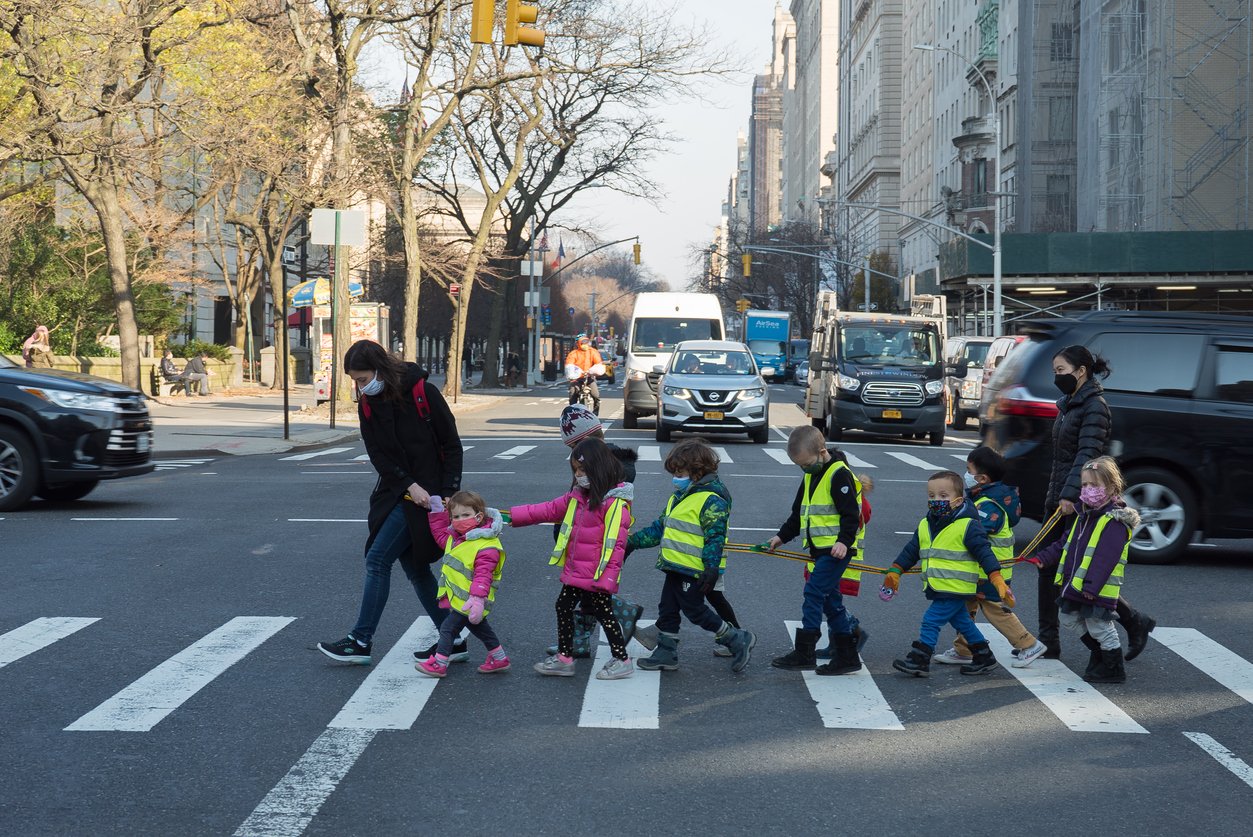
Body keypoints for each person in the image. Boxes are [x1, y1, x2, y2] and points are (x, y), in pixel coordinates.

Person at [318, 340, 465, 665]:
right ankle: (452, 638)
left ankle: (360, 640)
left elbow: (452, 445)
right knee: (415, 569)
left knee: (378, 559)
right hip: (400, 492)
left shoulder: (423, 393)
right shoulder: (368, 405)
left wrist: (448, 491)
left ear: (380, 369)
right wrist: (408, 485)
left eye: (362, 378)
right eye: (355, 380)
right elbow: (378, 456)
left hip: (431, 498)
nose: (359, 386)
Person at [1041, 345, 1155, 661]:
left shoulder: (1094, 407)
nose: (1056, 377)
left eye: (1061, 370)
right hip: (1060, 494)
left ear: (1081, 371)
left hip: (1076, 499)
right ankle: (1048, 640)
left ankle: (1128, 625)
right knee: (1050, 568)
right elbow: (1062, 456)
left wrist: (1069, 494)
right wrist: (1054, 493)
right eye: (1055, 371)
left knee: (1079, 569)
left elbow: (1087, 455)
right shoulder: (1069, 405)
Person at [507, 438, 636, 681]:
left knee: (603, 613)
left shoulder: (615, 504)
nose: (578, 475)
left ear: (599, 468)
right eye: (575, 470)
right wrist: (508, 517)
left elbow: (616, 546)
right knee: (565, 606)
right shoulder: (578, 498)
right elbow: (544, 510)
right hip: (578, 570)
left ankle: (621, 660)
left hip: (596, 575)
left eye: (583, 470)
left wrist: (607, 578)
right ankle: (566, 658)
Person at [625, 439, 756, 673]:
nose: (676, 477)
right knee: (668, 608)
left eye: (680, 472)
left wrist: (711, 568)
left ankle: (737, 638)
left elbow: (715, 537)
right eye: (674, 472)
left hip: (695, 568)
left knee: (695, 610)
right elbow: (661, 527)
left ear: (697, 472)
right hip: (676, 566)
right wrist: (632, 543)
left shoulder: (712, 499)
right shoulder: (680, 496)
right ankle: (666, 652)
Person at [884, 470, 1013, 677]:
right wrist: (895, 570)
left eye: (944, 496)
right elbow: (911, 550)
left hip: (956, 587)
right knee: (961, 621)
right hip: (939, 585)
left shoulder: (968, 525)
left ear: (958, 500)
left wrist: (996, 578)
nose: (937, 500)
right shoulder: (926, 524)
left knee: (931, 620)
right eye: (932, 496)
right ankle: (984, 656)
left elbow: (984, 552)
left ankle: (919, 659)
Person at [761, 426, 867, 676]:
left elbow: (852, 515)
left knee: (813, 592)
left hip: (836, 550)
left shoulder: (839, 474)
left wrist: (843, 541)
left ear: (822, 452)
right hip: (820, 550)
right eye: (800, 466)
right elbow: (798, 515)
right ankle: (847, 656)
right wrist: (780, 537)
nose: (804, 469)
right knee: (831, 602)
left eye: (806, 464)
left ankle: (805, 650)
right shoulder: (811, 475)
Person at [931, 447, 1048, 669]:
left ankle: (1029, 644)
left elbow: (973, 534)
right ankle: (963, 649)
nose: (965, 474)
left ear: (982, 478)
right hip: (979, 571)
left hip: (991, 572)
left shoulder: (987, 506)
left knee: (995, 611)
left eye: (968, 470)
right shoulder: (986, 499)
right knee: (965, 608)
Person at [545, 403, 646, 659]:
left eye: (573, 448)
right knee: (583, 595)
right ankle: (578, 641)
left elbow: (586, 509)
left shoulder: (603, 467)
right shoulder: (602, 462)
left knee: (586, 596)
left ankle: (621, 617)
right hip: (588, 546)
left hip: (596, 547)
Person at [1026, 456, 1139, 683]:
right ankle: (1098, 654)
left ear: (1112, 488)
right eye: (1085, 485)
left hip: (1095, 589)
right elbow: (1064, 543)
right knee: (1067, 617)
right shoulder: (1084, 516)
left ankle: (1113, 667)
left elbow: (1105, 560)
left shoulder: (1113, 522)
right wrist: (1043, 558)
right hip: (1076, 585)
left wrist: (1092, 587)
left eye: (1094, 485)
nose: (1088, 490)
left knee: (1100, 626)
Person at [416, 491, 510, 678]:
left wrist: (477, 600)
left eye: (465, 515)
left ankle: (440, 662)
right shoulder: (457, 537)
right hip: (463, 599)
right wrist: (437, 513)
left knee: (448, 628)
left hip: (473, 600)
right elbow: (441, 537)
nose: (459, 520)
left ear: (479, 516)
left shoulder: (486, 545)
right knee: (480, 628)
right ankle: (499, 658)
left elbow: (484, 576)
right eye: (455, 516)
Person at [564, 334, 605, 414]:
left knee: (596, 395)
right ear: (578, 344)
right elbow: (569, 364)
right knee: (572, 393)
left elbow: (598, 362)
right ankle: (573, 412)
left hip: (589, 377)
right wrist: (572, 373)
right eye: (582, 343)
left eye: (586, 342)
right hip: (576, 378)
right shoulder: (573, 354)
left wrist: (594, 370)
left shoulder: (593, 352)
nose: (585, 345)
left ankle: (595, 413)